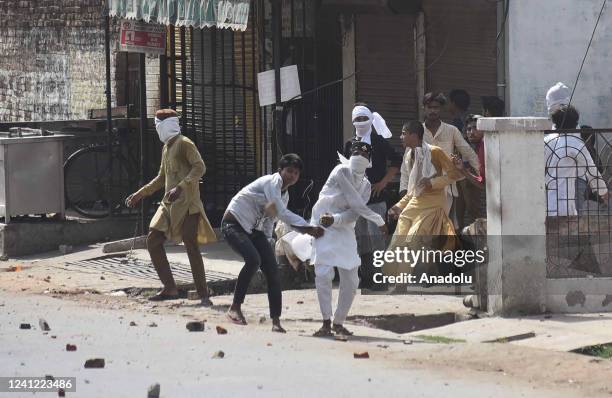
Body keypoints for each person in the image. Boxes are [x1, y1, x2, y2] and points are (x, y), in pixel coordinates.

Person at [222, 153, 324, 333]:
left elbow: (272, 219)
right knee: (253, 260)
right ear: (280, 170)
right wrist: (308, 228)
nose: (292, 176)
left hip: (255, 230)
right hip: (234, 224)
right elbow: (282, 213)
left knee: (272, 271)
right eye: (289, 171)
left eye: (296, 173)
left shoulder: (284, 196)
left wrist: (269, 242)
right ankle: (235, 308)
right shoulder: (272, 182)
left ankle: (276, 321)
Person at [126, 109, 216, 306]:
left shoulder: (185, 143)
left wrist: (182, 187)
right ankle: (170, 288)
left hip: (188, 205)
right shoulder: (167, 147)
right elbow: (161, 178)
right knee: (153, 240)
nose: (157, 129)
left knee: (190, 245)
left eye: (158, 125)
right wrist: (140, 194)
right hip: (168, 204)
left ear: (166, 125)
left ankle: (203, 293)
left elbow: (200, 167)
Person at [310, 141, 388, 337]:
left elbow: (354, 213)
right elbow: (354, 202)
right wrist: (379, 220)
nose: (360, 156)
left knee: (352, 278)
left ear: (369, 161)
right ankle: (326, 322)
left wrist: (335, 219)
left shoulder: (367, 186)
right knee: (324, 272)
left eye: (364, 154)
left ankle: (339, 322)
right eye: (356, 153)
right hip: (322, 222)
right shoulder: (341, 170)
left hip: (343, 227)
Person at [385, 121, 464, 285]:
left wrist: (433, 183)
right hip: (414, 203)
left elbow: (455, 175)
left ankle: (402, 284)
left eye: (403, 133)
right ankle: (392, 279)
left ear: (414, 135)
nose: (400, 137)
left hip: (433, 205)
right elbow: (414, 190)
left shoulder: (435, 152)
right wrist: (398, 206)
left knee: (411, 241)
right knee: (396, 242)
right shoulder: (409, 155)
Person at [344, 103, 402, 289]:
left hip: (376, 199)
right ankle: (366, 277)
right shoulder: (349, 143)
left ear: (370, 119)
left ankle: (380, 277)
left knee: (377, 237)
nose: (361, 122)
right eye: (357, 119)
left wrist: (384, 182)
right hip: (356, 199)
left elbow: (396, 161)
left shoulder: (379, 142)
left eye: (364, 118)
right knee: (360, 238)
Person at [400, 93, 479, 217]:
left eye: (436, 107)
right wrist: (404, 189)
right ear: (424, 108)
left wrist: (481, 178)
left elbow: (469, 153)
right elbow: (407, 162)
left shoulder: (451, 130)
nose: (433, 111)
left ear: (441, 109)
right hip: (420, 188)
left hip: (445, 189)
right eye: (429, 107)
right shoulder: (416, 131)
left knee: (441, 227)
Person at [545, 105, 608, 216]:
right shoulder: (575, 144)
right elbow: (591, 169)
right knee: (567, 230)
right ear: (575, 124)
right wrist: (603, 191)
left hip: (545, 202)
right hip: (565, 204)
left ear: (555, 123)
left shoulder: (546, 141)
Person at [456, 114, 487, 230]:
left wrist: (463, 171)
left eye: (475, 128)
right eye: (469, 129)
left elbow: (482, 182)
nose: (471, 132)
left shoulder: (485, 147)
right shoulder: (473, 148)